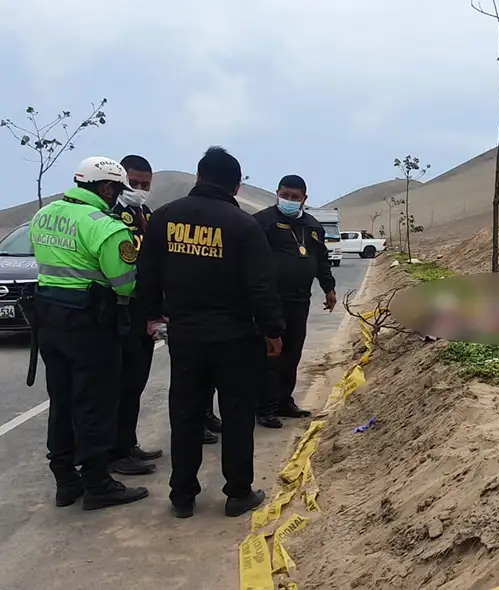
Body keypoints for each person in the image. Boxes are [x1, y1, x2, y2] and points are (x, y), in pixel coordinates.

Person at [136, 146, 284, 519]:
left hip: (185, 336)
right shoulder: (243, 226)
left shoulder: (164, 219)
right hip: (235, 337)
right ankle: (238, 493)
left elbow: (147, 276)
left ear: (199, 177)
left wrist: (152, 315)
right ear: (236, 187)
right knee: (237, 415)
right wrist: (273, 330)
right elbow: (261, 287)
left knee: (185, 413)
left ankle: (182, 495)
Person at [30, 156, 149, 510]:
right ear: (107, 188)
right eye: (118, 190)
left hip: (50, 322)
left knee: (62, 400)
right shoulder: (106, 227)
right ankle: (98, 483)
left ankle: (65, 480)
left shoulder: (44, 215)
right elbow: (124, 284)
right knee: (95, 402)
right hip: (91, 326)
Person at [253, 175, 337, 428]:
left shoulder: (312, 226)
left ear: (304, 199)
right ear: (277, 193)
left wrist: (329, 288)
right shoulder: (261, 222)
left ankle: (283, 401)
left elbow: (321, 259)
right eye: (285, 195)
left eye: (294, 197)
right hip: (270, 300)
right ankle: (264, 408)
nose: (288, 200)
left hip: (300, 301)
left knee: (292, 353)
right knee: (270, 353)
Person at [107, 155, 161, 476]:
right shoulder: (111, 215)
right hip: (122, 309)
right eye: (134, 184)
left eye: (145, 185)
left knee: (137, 381)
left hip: (145, 311)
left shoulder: (147, 214)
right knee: (123, 382)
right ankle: (115, 451)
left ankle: (128, 443)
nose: (139, 190)